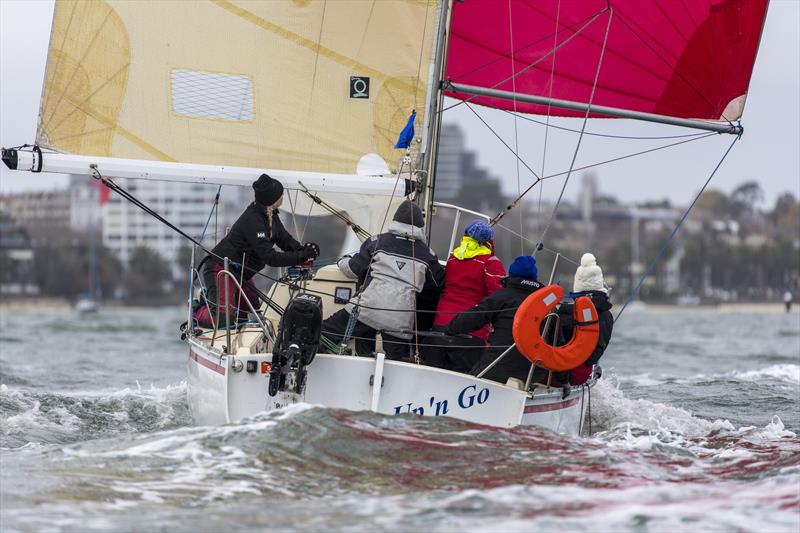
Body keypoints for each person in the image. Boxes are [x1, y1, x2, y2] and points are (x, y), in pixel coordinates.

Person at [322, 200, 444, 359]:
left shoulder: (376, 241)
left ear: (396, 220)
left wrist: (341, 260)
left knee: (324, 333)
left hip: (365, 311)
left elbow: (352, 270)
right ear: (420, 226)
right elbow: (438, 284)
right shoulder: (428, 254)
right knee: (395, 363)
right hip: (399, 323)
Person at [194, 174, 319, 327]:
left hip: (241, 273)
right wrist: (300, 257)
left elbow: (284, 240)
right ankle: (199, 309)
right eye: (280, 194)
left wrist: (305, 251)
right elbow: (270, 258)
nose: (283, 196)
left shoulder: (269, 214)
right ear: (272, 198)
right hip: (220, 268)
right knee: (224, 319)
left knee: (253, 312)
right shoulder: (254, 219)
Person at [421, 220, 506, 373]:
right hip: (471, 333)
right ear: (489, 241)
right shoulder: (490, 262)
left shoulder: (454, 258)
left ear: (466, 235)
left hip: (440, 328)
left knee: (432, 379)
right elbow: (498, 297)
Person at [445, 255, 545, 384]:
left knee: (469, 380)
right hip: (534, 373)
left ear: (512, 274)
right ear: (534, 278)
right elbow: (559, 343)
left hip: (497, 367)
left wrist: (450, 329)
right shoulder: (546, 304)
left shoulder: (501, 297)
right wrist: (564, 381)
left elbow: (473, 318)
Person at [555, 253, 614, 385]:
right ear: (600, 284)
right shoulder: (605, 315)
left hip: (549, 370)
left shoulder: (563, 310)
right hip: (576, 374)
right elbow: (598, 349)